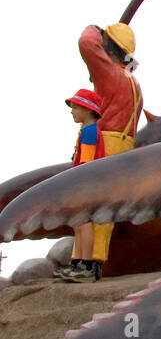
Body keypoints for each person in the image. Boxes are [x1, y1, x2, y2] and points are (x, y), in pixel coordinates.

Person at [76, 22, 143, 269]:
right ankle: (93, 260)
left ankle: (86, 262)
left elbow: (86, 43)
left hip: (105, 142)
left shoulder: (111, 74)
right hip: (123, 145)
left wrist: (93, 29)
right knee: (104, 203)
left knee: (87, 202)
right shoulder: (133, 83)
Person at [55, 88, 106, 282]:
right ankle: (77, 263)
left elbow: (86, 163)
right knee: (78, 224)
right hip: (85, 184)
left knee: (84, 224)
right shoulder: (86, 131)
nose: (72, 111)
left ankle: (87, 266)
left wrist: (76, 185)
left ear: (87, 109)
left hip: (86, 184)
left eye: (75, 107)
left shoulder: (90, 132)